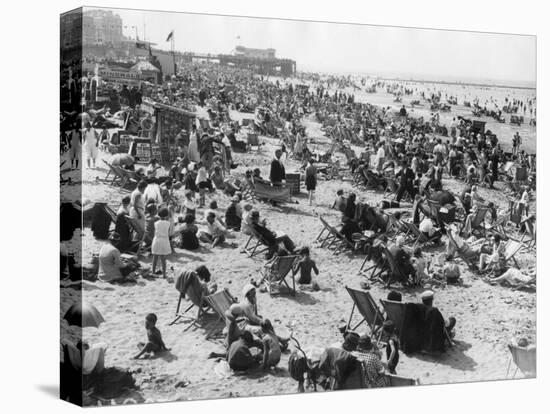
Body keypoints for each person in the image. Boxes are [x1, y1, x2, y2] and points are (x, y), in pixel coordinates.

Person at [151, 207, 172, 279]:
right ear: (166, 215)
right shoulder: (168, 223)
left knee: (155, 257)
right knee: (163, 259)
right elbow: (168, 233)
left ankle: (153, 272)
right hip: (164, 241)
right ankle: (164, 274)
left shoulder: (156, 223)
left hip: (157, 240)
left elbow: (155, 232)